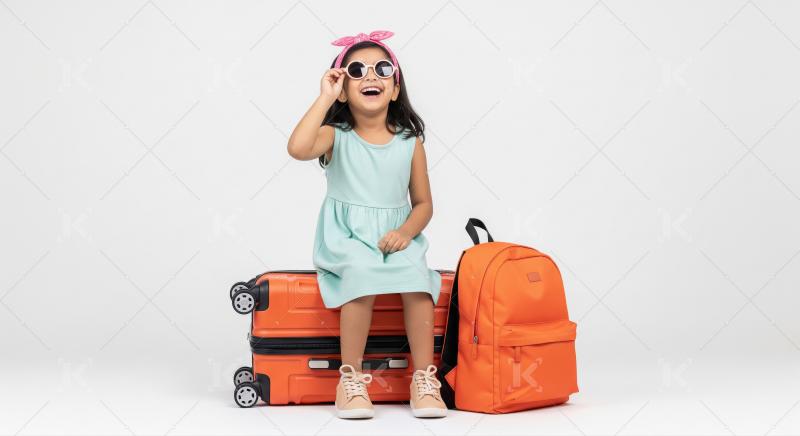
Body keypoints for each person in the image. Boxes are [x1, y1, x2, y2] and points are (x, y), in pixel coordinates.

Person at [287, 30, 445, 419]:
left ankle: (425, 380)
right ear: (343, 89)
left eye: (382, 69)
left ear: (394, 89)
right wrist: (324, 97)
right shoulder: (334, 136)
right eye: (357, 70)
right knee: (359, 278)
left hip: (397, 237)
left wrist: (406, 233)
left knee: (418, 283)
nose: (371, 76)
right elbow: (297, 148)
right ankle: (351, 379)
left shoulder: (410, 143)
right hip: (347, 237)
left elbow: (423, 204)